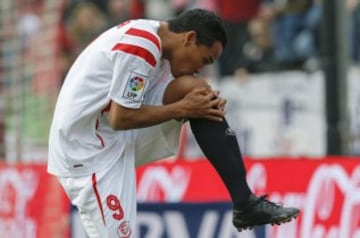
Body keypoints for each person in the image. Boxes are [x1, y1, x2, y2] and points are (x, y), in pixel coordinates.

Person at [48, 9, 299, 237]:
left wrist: (196, 106)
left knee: (197, 92)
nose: (200, 68)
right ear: (189, 38)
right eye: (204, 59)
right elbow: (120, 117)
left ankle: (245, 202)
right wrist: (183, 108)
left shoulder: (158, 38)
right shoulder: (142, 48)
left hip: (107, 133)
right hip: (86, 151)